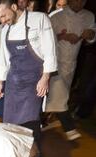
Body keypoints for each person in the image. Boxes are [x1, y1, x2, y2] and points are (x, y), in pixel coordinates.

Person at [0, 0, 57, 146]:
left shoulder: (40, 19)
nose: (2, 21)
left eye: (4, 16)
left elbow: (50, 50)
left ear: (14, 7)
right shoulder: (5, 30)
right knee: (11, 122)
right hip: (13, 84)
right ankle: (14, 153)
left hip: (33, 81)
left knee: (30, 121)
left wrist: (45, 77)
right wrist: (0, 82)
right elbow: (3, 58)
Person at [44, 0, 95, 140]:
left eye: (83, 0)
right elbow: (43, 39)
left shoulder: (89, 16)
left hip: (71, 63)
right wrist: (62, 36)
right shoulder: (55, 16)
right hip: (53, 61)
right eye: (76, 0)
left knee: (54, 95)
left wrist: (90, 35)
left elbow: (92, 37)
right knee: (59, 94)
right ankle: (69, 127)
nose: (80, 3)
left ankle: (40, 121)